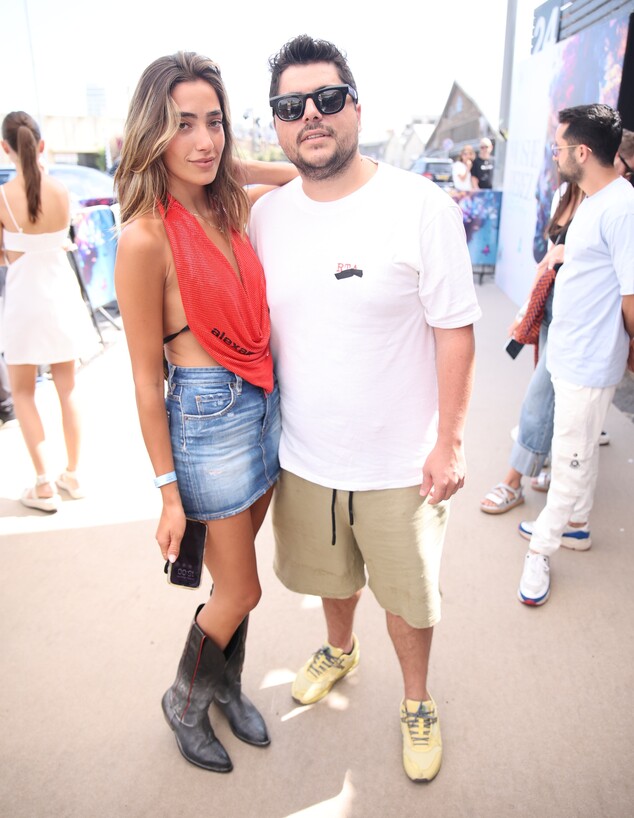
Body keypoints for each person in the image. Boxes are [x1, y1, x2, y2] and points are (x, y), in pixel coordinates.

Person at [249, 35, 481, 783]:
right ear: (276, 123)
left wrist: (450, 440)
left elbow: (455, 330)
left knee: (408, 598)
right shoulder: (266, 217)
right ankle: (340, 650)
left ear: (356, 106)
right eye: (291, 107)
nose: (310, 116)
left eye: (326, 99)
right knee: (333, 575)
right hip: (304, 456)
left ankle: (417, 699)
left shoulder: (420, 205)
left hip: (400, 464)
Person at [114, 51, 297, 774]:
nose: (204, 140)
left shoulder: (229, 205)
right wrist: (167, 491)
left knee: (232, 583)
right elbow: (143, 378)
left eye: (214, 123)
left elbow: (293, 176)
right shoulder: (144, 237)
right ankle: (185, 699)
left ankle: (224, 687)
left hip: (261, 402)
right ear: (152, 131)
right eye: (183, 124)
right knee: (244, 586)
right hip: (207, 418)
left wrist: (225, 167)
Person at [518, 103, 634, 606]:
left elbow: (631, 294)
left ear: (582, 152)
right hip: (570, 354)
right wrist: (564, 253)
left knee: (569, 459)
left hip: (589, 361)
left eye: (559, 147)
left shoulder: (621, 207)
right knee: (579, 449)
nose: (555, 154)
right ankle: (577, 525)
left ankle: (541, 550)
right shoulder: (595, 199)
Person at [0, 111, 96, 511]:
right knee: (67, 389)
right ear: (40, 145)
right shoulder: (60, 191)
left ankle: (43, 484)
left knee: (23, 392)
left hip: (24, 303)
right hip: (60, 297)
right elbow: (63, 240)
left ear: (5, 148)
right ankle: (72, 475)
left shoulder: (3, 196)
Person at [479, 181, 584, 514]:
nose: (557, 157)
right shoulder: (565, 193)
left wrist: (572, 253)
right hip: (551, 304)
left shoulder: (608, 202)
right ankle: (545, 461)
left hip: (579, 316)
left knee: (540, 397)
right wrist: (527, 310)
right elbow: (545, 263)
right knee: (550, 395)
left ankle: (513, 481)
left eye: (561, 152)